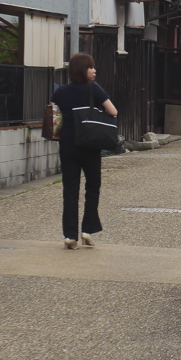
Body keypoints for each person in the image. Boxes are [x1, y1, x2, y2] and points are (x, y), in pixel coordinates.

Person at [50, 52, 117, 249]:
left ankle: (70, 236)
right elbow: (113, 111)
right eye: (90, 67)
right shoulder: (93, 89)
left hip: (68, 144)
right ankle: (87, 230)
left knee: (70, 190)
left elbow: (52, 111)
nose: (94, 70)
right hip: (89, 144)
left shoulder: (61, 91)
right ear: (82, 70)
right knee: (92, 187)